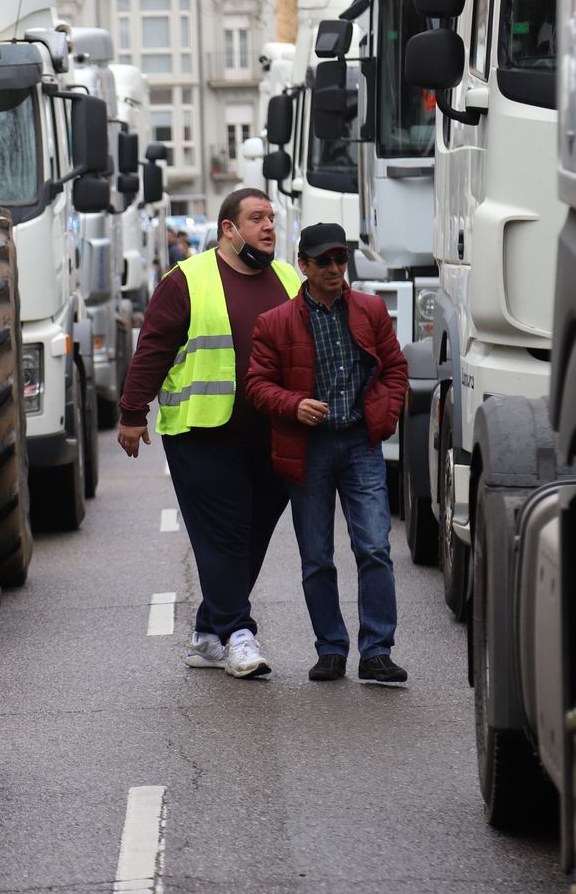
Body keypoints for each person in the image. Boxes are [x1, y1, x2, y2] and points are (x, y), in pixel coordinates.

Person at [117, 188, 301, 678]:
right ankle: (240, 633)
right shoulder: (187, 279)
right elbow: (153, 347)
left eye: (271, 218)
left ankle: (207, 631)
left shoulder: (287, 278)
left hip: (273, 435)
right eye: (257, 218)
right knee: (224, 535)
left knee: (253, 534)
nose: (268, 227)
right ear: (229, 229)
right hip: (202, 433)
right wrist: (133, 411)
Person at [245, 222, 410, 683]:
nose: (336, 269)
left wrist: (385, 414)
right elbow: (256, 385)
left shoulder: (371, 310)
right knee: (317, 556)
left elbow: (395, 368)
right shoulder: (275, 322)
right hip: (308, 450)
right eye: (325, 262)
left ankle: (377, 651)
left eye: (341, 260)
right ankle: (331, 648)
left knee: (375, 547)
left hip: (361, 443)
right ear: (304, 267)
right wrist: (295, 405)